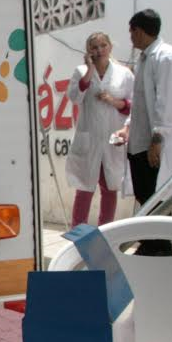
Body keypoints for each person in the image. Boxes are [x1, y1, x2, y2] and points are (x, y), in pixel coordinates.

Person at [125, 8, 172, 255]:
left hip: (154, 144)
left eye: (131, 31)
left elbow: (168, 101)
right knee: (145, 198)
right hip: (139, 143)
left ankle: (160, 250)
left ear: (139, 31)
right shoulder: (145, 59)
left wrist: (158, 138)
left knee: (158, 201)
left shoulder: (166, 56)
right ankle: (151, 245)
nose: (130, 37)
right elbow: (141, 102)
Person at [65, 31, 133, 227]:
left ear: (110, 47)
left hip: (113, 137)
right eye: (94, 47)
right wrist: (88, 71)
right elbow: (75, 97)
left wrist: (113, 101)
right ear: (88, 51)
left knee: (110, 187)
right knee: (85, 187)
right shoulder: (80, 71)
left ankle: (106, 231)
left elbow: (132, 106)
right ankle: (78, 233)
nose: (99, 50)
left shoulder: (124, 74)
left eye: (103, 45)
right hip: (90, 138)